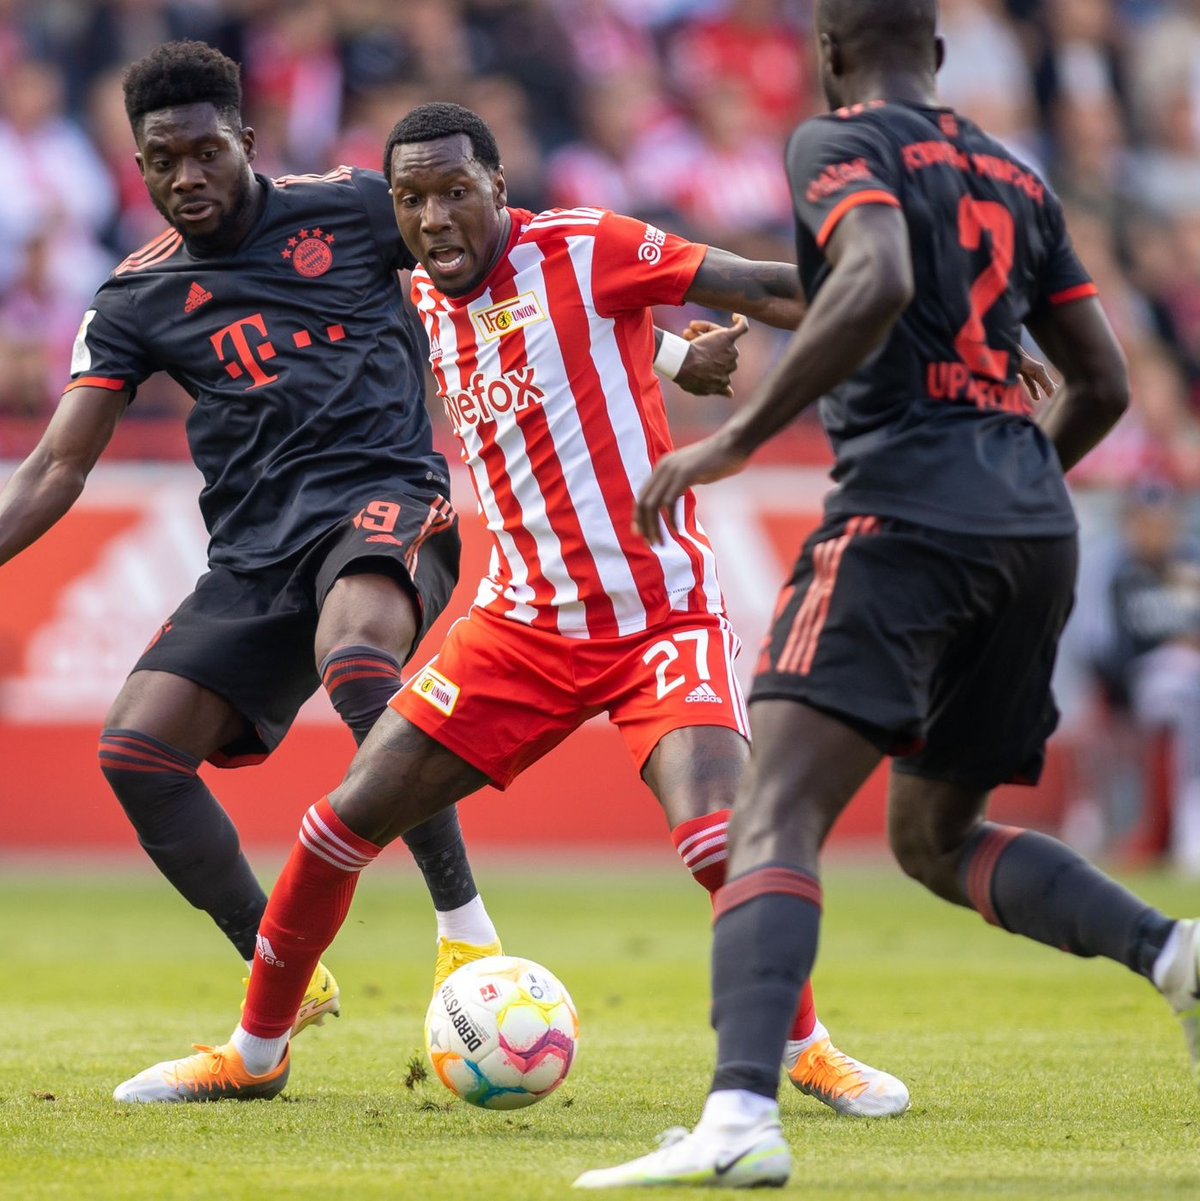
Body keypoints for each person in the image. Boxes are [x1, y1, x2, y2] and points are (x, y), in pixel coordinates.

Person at [110, 101, 910, 1120]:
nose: (434, 218)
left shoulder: (586, 243)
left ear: (499, 187)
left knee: (719, 839)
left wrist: (937, 321)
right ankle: (255, 1052)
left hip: (656, 618)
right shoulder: (415, 284)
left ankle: (811, 1050)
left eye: (455, 192)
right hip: (520, 626)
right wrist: (672, 357)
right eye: (412, 200)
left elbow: (756, 287)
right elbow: (538, 335)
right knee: (333, 827)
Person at [576, 0, 1200, 1189]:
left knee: (772, 815)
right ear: (944, 56)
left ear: (826, 54)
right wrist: (1005, 482)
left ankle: (741, 1117)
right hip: (1034, 530)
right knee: (932, 834)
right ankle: (1173, 951)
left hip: (904, 515)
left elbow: (870, 275)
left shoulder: (836, 143)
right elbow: (1106, 384)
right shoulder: (1012, 172)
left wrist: (736, 438)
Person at [0, 44, 748, 1028]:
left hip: (390, 502)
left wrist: (672, 349)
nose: (188, 176)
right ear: (136, 166)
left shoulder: (358, 206)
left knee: (356, 656)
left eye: (206, 151)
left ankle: (465, 932)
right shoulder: (133, 298)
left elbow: (513, 267)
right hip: (255, 556)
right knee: (136, 750)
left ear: (248, 142)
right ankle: (285, 972)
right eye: (162, 160)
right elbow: (59, 463)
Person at [1079, 477, 1200, 870]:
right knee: (1176, 685)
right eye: (1145, 520)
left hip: (1186, 687)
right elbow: (1097, 649)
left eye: (1163, 520)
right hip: (1131, 688)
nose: (1155, 530)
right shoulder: (1111, 568)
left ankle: (1188, 823)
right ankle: (1179, 826)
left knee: (1185, 687)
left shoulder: (1190, 564)